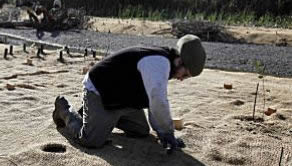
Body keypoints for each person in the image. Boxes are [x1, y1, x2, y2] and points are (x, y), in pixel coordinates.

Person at [52, 34, 206, 153]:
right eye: (184, 75)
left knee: (141, 131)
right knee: (91, 140)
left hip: (121, 100)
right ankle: (63, 108)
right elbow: (158, 100)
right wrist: (167, 132)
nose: (181, 79)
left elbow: (154, 104)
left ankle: (92, 115)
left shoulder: (164, 62)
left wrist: (162, 133)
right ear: (179, 61)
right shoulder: (159, 63)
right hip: (100, 92)